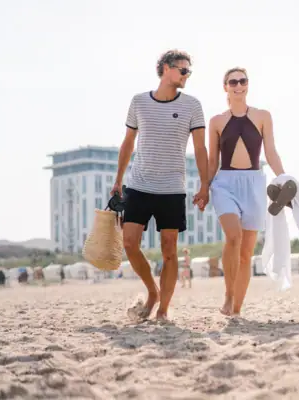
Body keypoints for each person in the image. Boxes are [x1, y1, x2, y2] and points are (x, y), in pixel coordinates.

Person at [111, 50, 209, 321]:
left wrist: (204, 184)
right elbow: (128, 142)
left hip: (172, 188)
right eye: (183, 70)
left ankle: (163, 309)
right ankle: (152, 292)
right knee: (129, 243)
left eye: (189, 71)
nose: (187, 75)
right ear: (166, 68)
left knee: (169, 251)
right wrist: (118, 180)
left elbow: (200, 148)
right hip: (139, 185)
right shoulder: (139, 102)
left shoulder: (192, 105)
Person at [207, 67, 289, 316]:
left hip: (254, 184)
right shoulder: (217, 121)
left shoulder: (263, 116)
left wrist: (283, 178)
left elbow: (271, 153)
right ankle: (228, 296)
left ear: (247, 85)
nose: (238, 85)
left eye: (243, 81)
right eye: (233, 81)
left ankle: (236, 310)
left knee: (245, 254)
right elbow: (213, 160)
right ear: (225, 87)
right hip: (224, 184)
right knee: (233, 237)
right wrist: (203, 188)